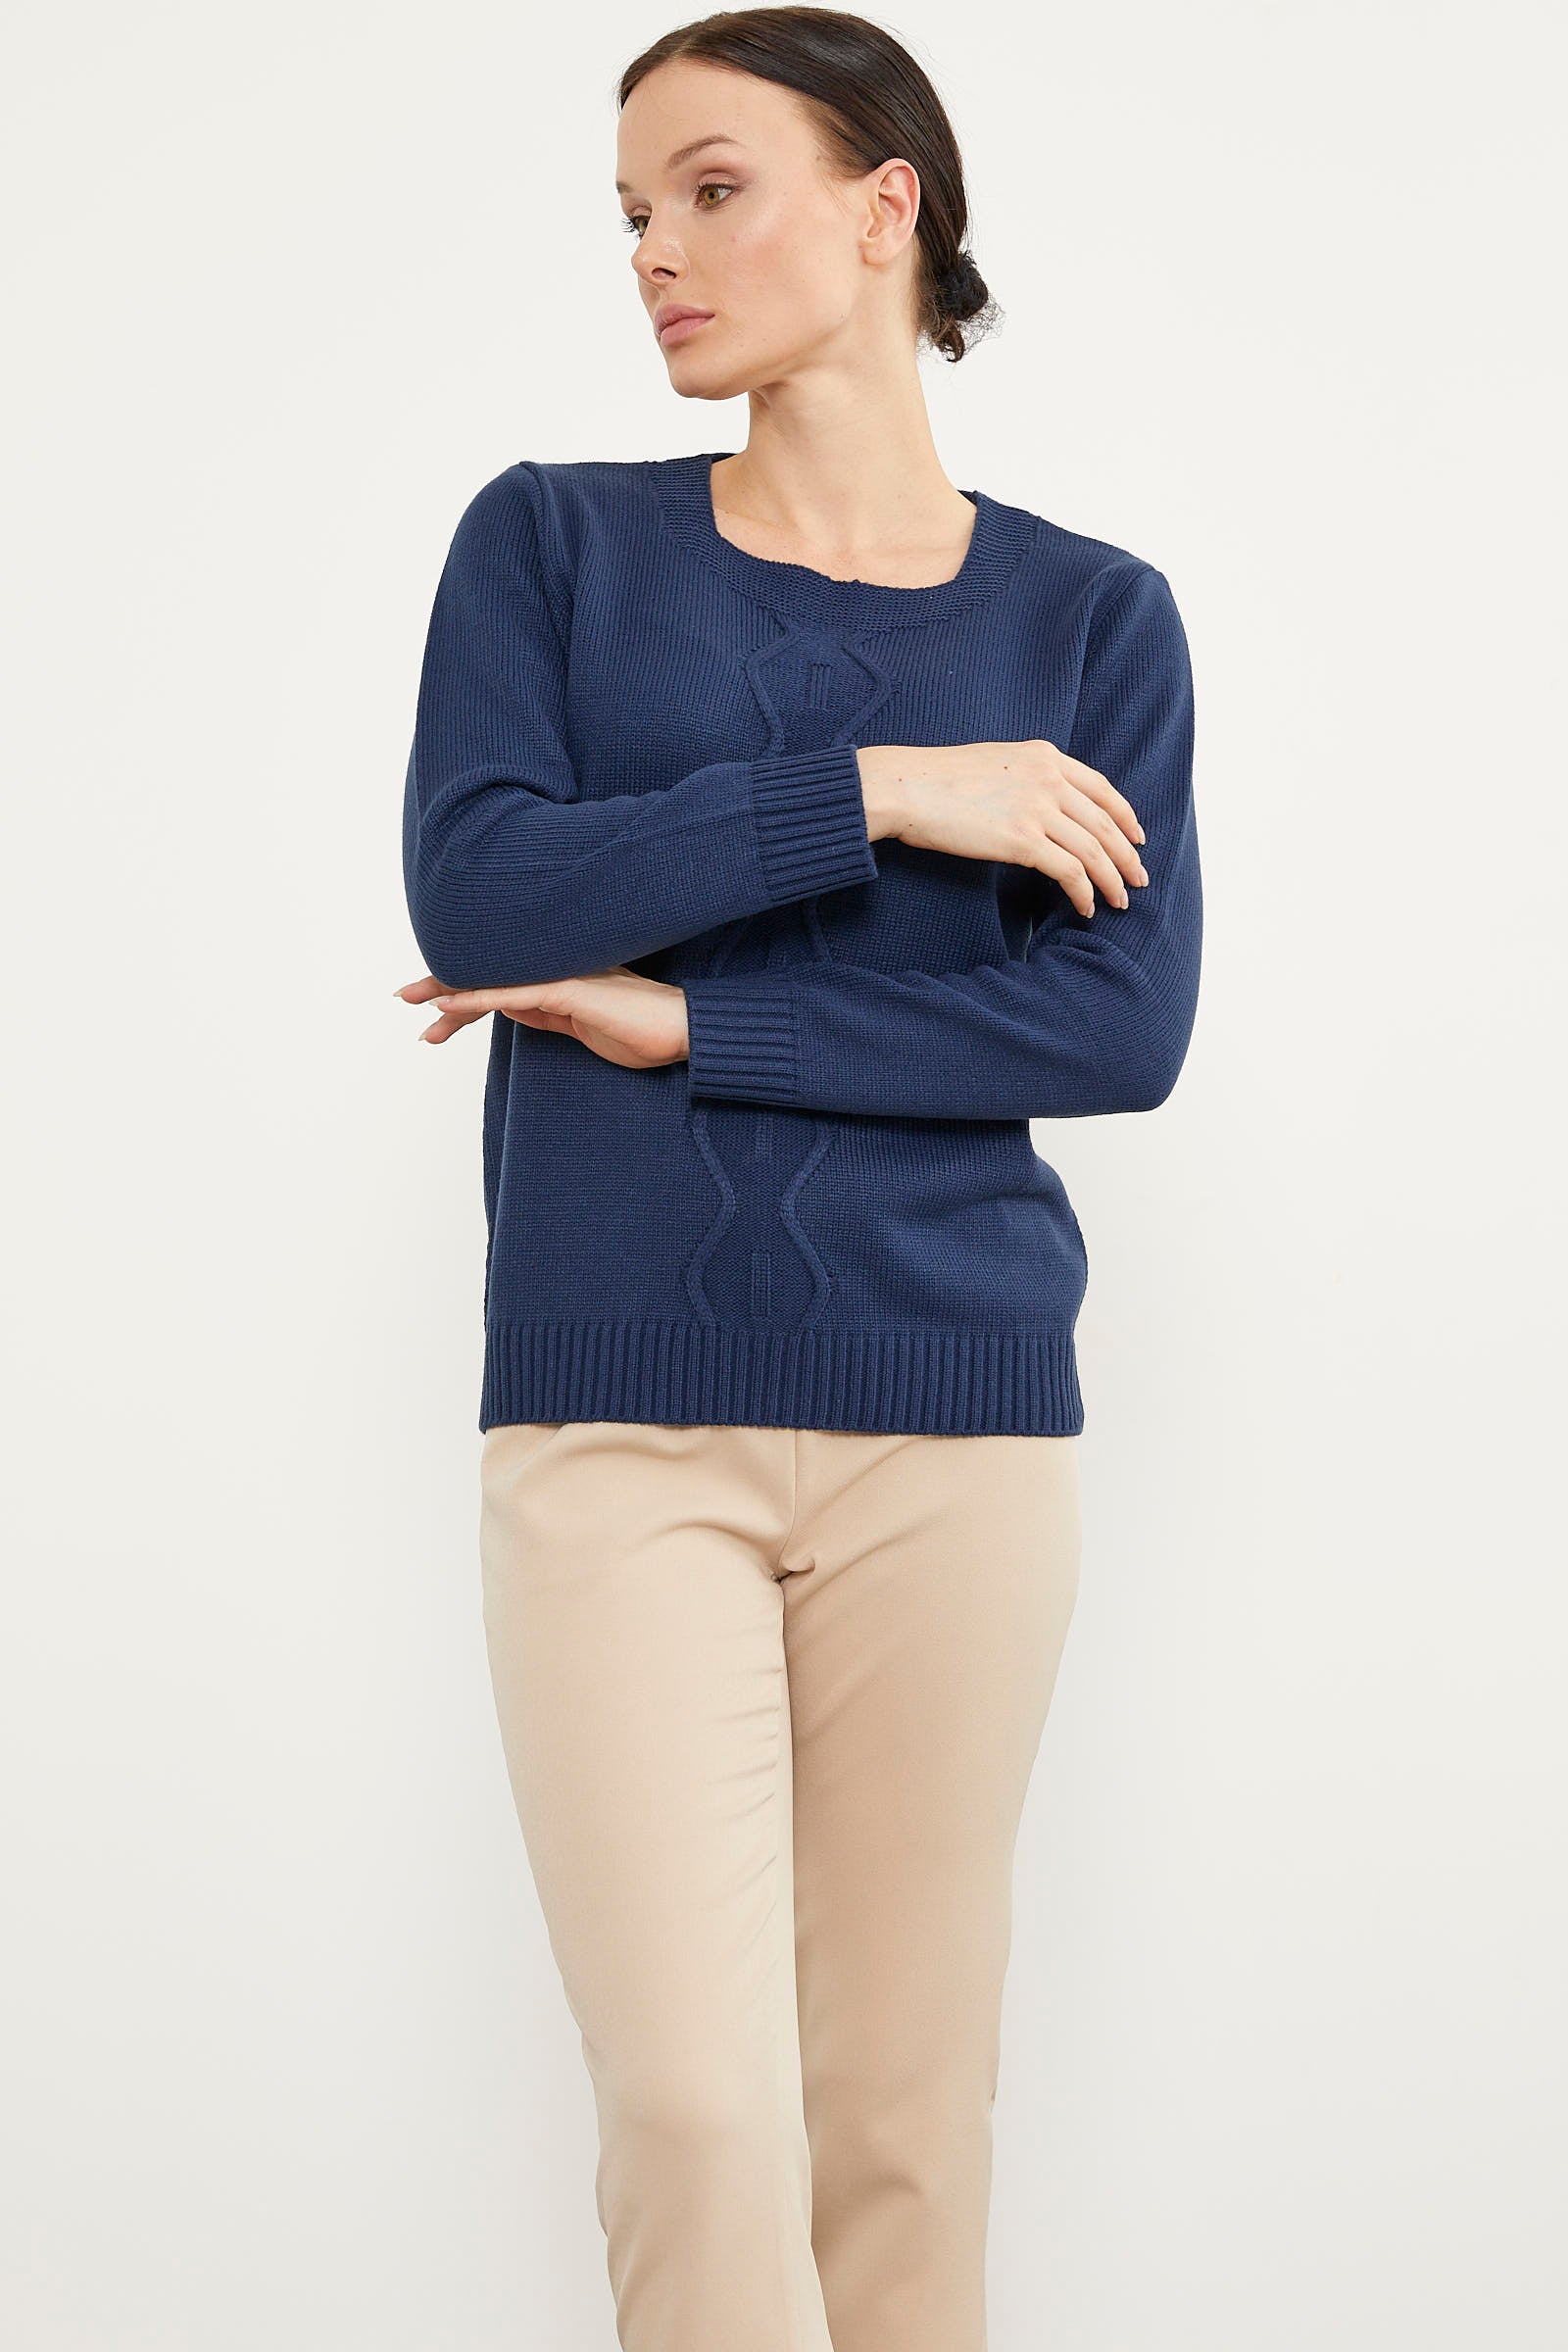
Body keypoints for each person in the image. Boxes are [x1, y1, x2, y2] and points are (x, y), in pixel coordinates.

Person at [395, 11, 1202, 2348]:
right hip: (615, 1421)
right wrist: (878, 792)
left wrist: (701, 1024)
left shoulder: (1090, 619)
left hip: (954, 1426)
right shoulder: (551, 545)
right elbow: (484, 892)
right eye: (629, 212)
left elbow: (1113, 1029)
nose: (654, 249)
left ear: (883, 208)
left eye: (710, 187)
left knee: (898, 2117)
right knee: (693, 2115)